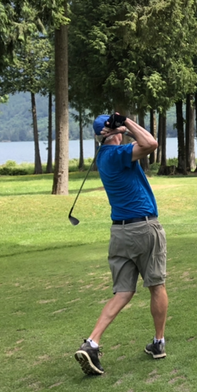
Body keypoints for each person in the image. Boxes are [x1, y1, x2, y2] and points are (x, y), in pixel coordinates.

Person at [74, 113, 168, 376]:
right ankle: (158, 342)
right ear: (112, 133)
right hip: (144, 228)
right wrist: (126, 123)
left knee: (123, 292)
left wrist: (122, 129)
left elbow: (143, 143)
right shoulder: (117, 154)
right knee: (156, 285)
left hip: (120, 232)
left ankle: (92, 343)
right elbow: (151, 143)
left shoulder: (104, 157)